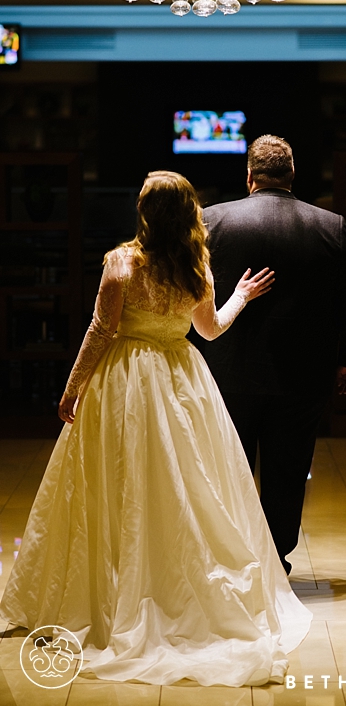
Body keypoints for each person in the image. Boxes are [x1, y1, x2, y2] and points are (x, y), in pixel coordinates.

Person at [0, 170, 312, 687]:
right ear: (189, 213)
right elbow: (210, 330)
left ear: (144, 213)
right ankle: (173, 587)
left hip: (123, 383)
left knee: (116, 484)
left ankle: (113, 586)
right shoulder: (196, 267)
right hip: (181, 381)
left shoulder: (122, 264)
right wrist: (240, 296)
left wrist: (73, 386)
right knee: (182, 484)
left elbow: (101, 331)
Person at [202, 135, 346, 575]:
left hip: (227, 368)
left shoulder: (211, 221)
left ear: (250, 177)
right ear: (292, 175)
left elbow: (192, 297)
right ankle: (275, 557)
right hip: (303, 371)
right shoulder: (330, 225)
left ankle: (233, 557)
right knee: (288, 466)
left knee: (227, 465)